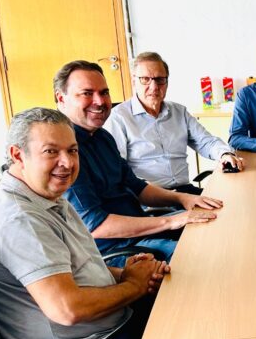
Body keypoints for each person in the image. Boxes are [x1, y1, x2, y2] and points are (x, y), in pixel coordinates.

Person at [0, 107, 168, 339]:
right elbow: (68, 309)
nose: (67, 162)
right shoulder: (19, 220)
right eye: (51, 152)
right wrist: (134, 286)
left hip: (98, 336)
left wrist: (130, 274)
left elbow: (76, 267)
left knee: (186, 302)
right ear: (18, 155)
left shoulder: (45, 195)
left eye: (73, 150)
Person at [56, 60, 223, 263]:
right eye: (87, 93)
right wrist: (171, 221)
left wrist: (182, 199)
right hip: (118, 250)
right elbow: (97, 226)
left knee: (217, 227)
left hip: (143, 231)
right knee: (203, 257)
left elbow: (137, 187)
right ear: (61, 99)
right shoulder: (65, 153)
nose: (100, 101)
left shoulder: (102, 137)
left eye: (104, 92)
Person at [105, 51, 243, 194]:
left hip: (185, 191)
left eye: (160, 79)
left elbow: (206, 142)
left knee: (234, 201)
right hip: (147, 196)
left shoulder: (179, 112)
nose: (154, 87)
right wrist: (146, 189)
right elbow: (117, 169)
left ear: (167, 82)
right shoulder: (119, 117)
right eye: (145, 79)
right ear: (134, 81)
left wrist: (225, 154)